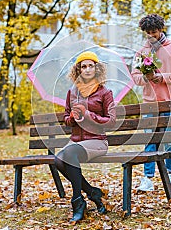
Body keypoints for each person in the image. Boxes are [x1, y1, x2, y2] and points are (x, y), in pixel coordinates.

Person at [54, 51, 116, 223]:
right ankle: (93, 193)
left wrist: (88, 114)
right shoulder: (72, 93)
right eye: (83, 66)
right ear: (78, 70)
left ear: (97, 69)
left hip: (97, 141)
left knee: (69, 154)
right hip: (76, 140)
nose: (87, 69)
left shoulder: (105, 92)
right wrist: (72, 118)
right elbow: (66, 119)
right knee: (58, 160)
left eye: (90, 66)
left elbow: (111, 121)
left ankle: (78, 202)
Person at [131, 14, 171, 192]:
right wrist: (147, 78)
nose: (151, 36)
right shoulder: (142, 52)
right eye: (148, 33)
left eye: (154, 32)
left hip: (169, 102)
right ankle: (148, 178)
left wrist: (162, 77)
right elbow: (135, 77)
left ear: (161, 30)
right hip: (150, 103)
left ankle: (170, 174)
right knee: (150, 139)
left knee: (169, 139)